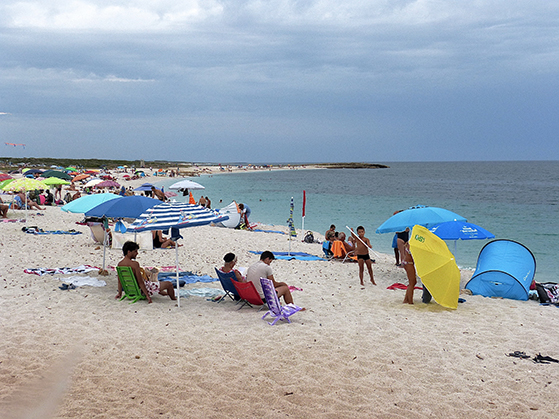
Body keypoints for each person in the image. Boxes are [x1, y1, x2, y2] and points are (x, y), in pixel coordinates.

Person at [398, 238, 416, 304]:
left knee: (413, 282)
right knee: (412, 282)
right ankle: (410, 301)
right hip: (409, 263)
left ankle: (406, 300)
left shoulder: (410, 243)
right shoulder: (412, 245)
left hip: (406, 262)